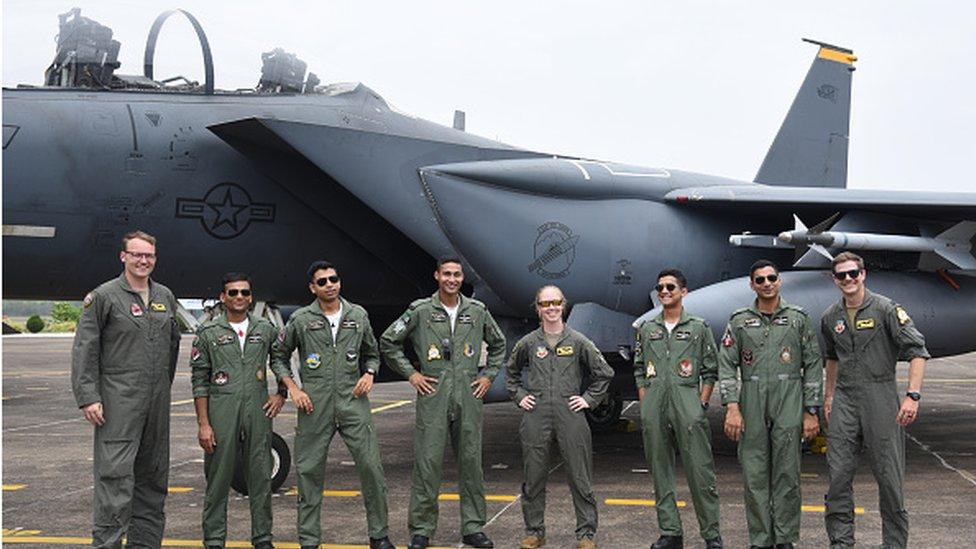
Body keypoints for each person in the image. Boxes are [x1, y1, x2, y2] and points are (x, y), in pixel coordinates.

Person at [380, 258, 506, 549]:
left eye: (457, 275)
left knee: (471, 463)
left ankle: (473, 527)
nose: (451, 279)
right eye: (446, 274)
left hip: (468, 394)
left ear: (463, 278)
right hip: (433, 393)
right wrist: (411, 374)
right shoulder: (421, 310)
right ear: (437, 276)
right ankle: (422, 530)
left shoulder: (477, 311)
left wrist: (488, 376)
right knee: (427, 464)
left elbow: (498, 344)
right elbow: (389, 341)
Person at [271, 261, 395, 549]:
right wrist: (293, 389)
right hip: (314, 405)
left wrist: (370, 372)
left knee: (372, 469)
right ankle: (310, 540)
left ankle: (380, 535)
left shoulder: (357, 315)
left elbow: (372, 353)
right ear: (312, 287)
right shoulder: (301, 320)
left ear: (340, 281)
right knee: (309, 473)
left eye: (333, 279)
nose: (330, 285)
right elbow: (278, 356)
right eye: (322, 281)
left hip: (353, 402)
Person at [71, 230, 181, 548]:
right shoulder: (104, 297)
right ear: (124, 257)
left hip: (156, 402)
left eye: (149, 256)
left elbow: (172, 347)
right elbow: (85, 349)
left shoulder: (165, 297)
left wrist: (162, 386)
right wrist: (89, 396)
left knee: (153, 479)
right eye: (137, 254)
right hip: (119, 401)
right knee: (115, 479)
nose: (143, 260)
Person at [821, 252, 928, 549]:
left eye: (853, 273)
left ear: (863, 274)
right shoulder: (831, 317)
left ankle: (894, 544)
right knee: (838, 475)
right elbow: (831, 357)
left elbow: (918, 351)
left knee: (889, 476)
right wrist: (828, 396)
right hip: (844, 398)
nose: (848, 280)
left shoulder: (886, 310)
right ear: (835, 279)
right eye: (841, 275)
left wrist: (912, 396)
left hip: (880, 395)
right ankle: (841, 542)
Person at [717, 260, 823, 549]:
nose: (766, 283)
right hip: (751, 397)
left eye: (771, 278)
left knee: (788, 473)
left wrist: (810, 410)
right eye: (760, 280)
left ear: (779, 281)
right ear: (752, 285)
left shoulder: (798, 318)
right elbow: (726, 364)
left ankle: (785, 538)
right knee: (754, 475)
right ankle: (761, 539)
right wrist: (731, 406)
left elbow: (813, 364)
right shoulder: (739, 321)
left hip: (789, 395)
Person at [506, 285, 613, 549]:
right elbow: (511, 374)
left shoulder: (578, 341)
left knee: (580, 476)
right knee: (533, 476)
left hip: (571, 414)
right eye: (545, 304)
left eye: (555, 302)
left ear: (563, 305)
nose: (551, 308)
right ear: (538, 308)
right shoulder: (529, 343)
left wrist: (588, 400)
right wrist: (520, 396)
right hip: (536, 413)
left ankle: (586, 534)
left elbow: (604, 373)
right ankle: (534, 531)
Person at [191, 273, 284, 549]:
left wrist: (281, 393)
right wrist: (204, 424)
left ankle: (263, 538)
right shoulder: (208, 333)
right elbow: (199, 380)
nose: (239, 297)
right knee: (218, 477)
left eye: (244, 292)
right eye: (233, 293)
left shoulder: (265, 329)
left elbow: (280, 360)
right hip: (222, 407)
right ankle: (215, 539)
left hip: (258, 407)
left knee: (260, 475)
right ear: (223, 297)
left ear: (251, 296)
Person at [633, 268, 723, 549]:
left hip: (688, 403)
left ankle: (711, 534)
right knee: (660, 472)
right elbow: (639, 369)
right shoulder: (648, 329)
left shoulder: (698, 327)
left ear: (683, 292)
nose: (664, 292)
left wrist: (702, 403)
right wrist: (646, 401)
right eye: (660, 287)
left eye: (670, 287)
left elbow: (711, 369)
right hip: (655, 405)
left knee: (701, 472)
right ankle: (670, 532)